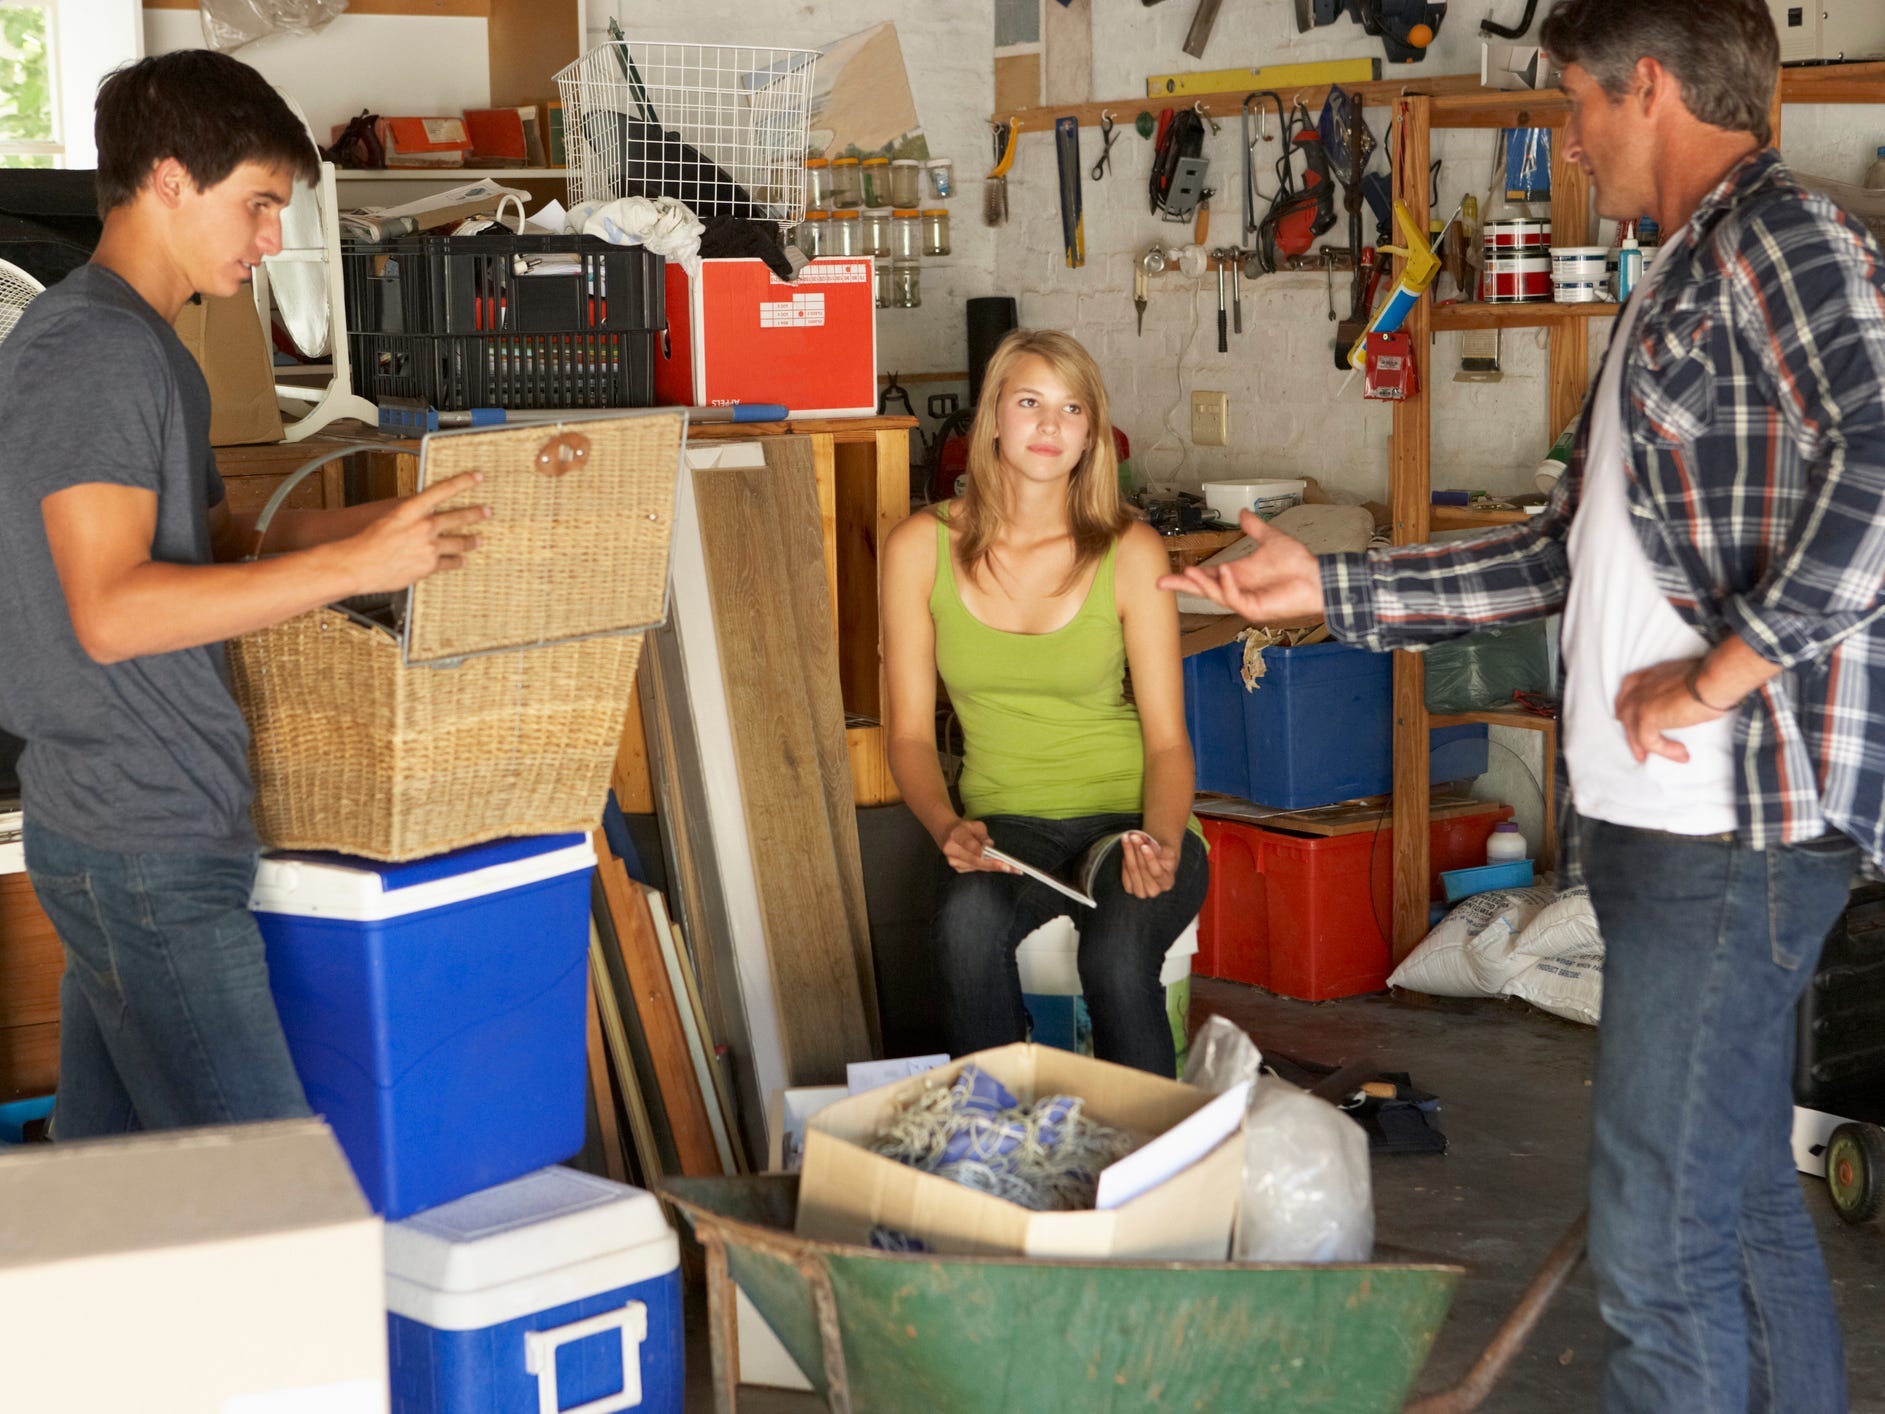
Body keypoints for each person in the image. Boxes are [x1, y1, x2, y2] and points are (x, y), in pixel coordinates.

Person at [1166, 1, 1885, 1407]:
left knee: (1656, 1245)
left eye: (1574, 105)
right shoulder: (1676, 272)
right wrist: (1330, 583)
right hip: (1655, 828)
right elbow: (1562, 554)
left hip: (1725, 830)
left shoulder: (1779, 242)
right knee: (1729, 1205)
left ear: (1654, 88)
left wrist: (1726, 666)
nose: (1564, 140)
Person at [0, 51, 491, 1139]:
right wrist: (357, 573)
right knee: (269, 1197)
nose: (272, 240)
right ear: (169, 179)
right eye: (258, 204)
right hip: (141, 834)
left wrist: (387, 522)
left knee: (116, 1195)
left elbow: (215, 544)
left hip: (153, 820)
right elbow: (114, 609)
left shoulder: (151, 347)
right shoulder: (94, 354)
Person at [880, 329, 1209, 1077]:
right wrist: (946, 829)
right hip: (1005, 821)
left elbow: (1165, 742)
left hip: (1129, 816)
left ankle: (1149, 1168)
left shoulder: (1128, 551)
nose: (1049, 426)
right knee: (964, 928)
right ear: (992, 416)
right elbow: (905, 734)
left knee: (1118, 958)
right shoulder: (917, 548)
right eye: (1029, 402)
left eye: (1071, 409)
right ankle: (1002, 1147)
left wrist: (1158, 841)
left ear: (1092, 434)